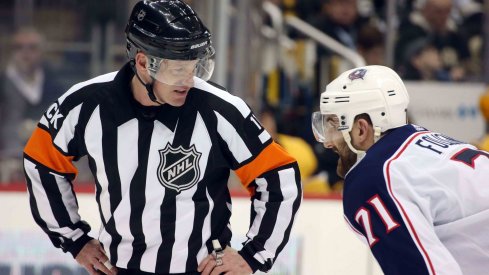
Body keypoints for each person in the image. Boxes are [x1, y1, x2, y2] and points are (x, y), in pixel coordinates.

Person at [23, 1, 302, 275]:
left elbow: (279, 177)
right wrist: (75, 240)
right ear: (143, 62)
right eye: (178, 69)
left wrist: (253, 255)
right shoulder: (85, 104)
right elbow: (41, 161)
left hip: (202, 269)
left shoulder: (220, 109)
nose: (189, 80)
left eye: (194, 67)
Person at [311, 65, 489, 274]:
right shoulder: (419, 144)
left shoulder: (372, 177)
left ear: (360, 129)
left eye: (333, 125)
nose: (328, 142)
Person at [0, 27, 63, 182]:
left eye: (32, 47)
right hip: (7, 160)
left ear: (42, 52)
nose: (25, 53)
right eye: (19, 47)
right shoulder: (2, 83)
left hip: (46, 158)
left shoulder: (54, 84)